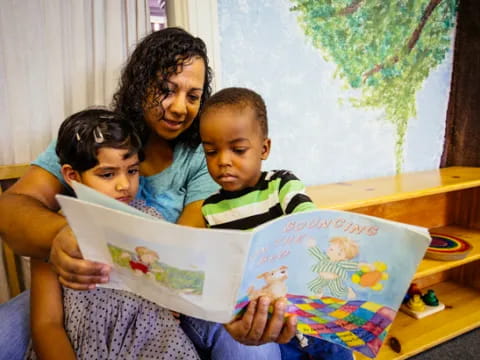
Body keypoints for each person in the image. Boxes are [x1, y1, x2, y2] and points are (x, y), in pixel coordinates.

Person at [0, 28, 296, 359]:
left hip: (165, 299)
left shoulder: (204, 154)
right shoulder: (97, 137)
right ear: (141, 83)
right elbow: (12, 206)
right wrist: (66, 235)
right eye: (166, 90)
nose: (180, 108)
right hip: (83, 290)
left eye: (193, 96)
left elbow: (185, 253)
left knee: (254, 351)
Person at [180, 87, 354, 360]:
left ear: (264, 148)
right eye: (211, 152)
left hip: (311, 315)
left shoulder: (281, 184)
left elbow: (309, 219)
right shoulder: (211, 209)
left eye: (238, 150)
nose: (223, 161)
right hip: (267, 323)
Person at [25, 108, 200, 359]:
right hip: (86, 347)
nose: (124, 185)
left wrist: (173, 298)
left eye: (132, 170)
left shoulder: (151, 221)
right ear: (72, 176)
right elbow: (46, 324)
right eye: (108, 174)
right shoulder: (54, 234)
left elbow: (172, 286)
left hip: (153, 339)